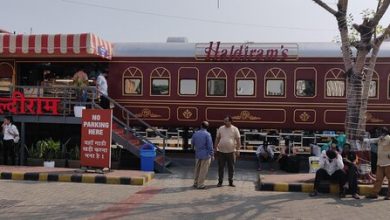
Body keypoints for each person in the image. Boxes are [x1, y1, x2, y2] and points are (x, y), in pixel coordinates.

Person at [214, 116, 241, 187]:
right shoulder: (221, 128)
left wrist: (238, 150)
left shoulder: (235, 129)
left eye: (226, 121)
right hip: (221, 152)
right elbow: (217, 138)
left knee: (231, 167)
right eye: (224, 121)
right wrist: (215, 148)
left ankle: (231, 181)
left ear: (230, 121)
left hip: (231, 152)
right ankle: (220, 181)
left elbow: (238, 140)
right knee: (220, 167)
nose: (225, 122)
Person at [365, 127, 390, 199]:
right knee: (378, 179)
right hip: (380, 163)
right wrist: (363, 140)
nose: (379, 134)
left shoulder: (389, 138)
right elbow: (371, 140)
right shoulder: (379, 139)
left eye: (380, 132)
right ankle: (374, 194)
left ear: (385, 133)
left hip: (388, 163)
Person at [191, 121, 214, 189]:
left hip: (197, 154)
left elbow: (192, 143)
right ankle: (200, 184)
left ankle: (195, 183)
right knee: (203, 170)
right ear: (207, 127)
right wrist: (212, 154)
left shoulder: (195, 134)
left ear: (201, 126)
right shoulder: (207, 134)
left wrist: (194, 149)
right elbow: (210, 146)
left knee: (197, 169)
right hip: (206, 155)